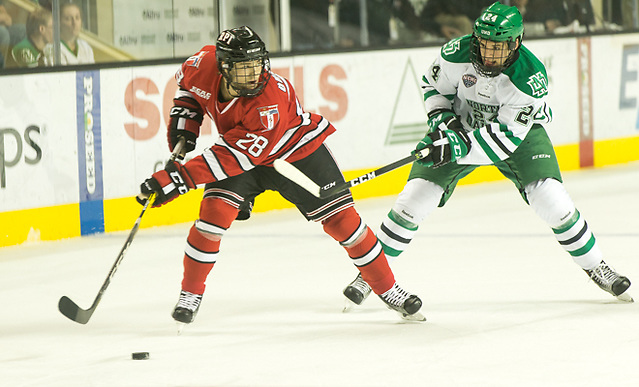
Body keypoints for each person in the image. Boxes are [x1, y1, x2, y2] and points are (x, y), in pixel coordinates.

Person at [342, 2, 632, 307]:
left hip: (517, 136)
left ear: (516, 43)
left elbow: (502, 142)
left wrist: (456, 146)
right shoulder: (456, 53)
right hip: (460, 127)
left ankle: (597, 265)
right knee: (412, 200)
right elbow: (433, 86)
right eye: (483, 45)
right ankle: (371, 275)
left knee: (553, 202)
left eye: (497, 48)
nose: (488, 54)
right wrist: (444, 122)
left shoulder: (529, 79)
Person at [137, 26, 424, 326]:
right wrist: (185, 124)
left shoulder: (268, 101)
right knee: (213, 214)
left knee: (344, 222)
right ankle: (190, 295)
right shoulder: (200, 65)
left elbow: (232, 158)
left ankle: (390, 290)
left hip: (297, 153)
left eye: (258, 64)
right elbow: (190, 92)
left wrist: (178, 179)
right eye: (245, 67)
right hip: (241, 146)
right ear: (223, 67)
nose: (255, 73)